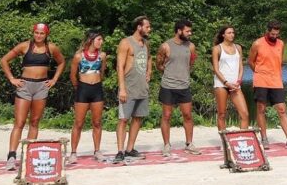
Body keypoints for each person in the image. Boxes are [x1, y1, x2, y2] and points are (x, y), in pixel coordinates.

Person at [0, 22, 66, 171]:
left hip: (41, 86)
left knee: (35, 121)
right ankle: (11, 156)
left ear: (46, 34)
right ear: (33, 32)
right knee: (19, 122)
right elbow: (4, 60)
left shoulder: (51, 48)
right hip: (25, 85)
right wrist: (12, 79)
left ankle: (29, 153)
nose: (39, 35)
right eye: (36, 32)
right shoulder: (25, 46)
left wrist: (54, 79)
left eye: (42, 33)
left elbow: (62, 62)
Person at [248, 20, 287, 150]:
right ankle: (264, 138)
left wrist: (274, 73)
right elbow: (251, 61)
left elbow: (279, 61)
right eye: (272, 34)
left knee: (282, 109)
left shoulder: (281, 44)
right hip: (261, 80)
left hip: (276, 80)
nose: (275, 36)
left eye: (277, 34)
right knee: (261, 109)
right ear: (268, 31)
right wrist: (259, 73)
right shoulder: (257, 43)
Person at [157, 19, 202, 157]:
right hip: (168, 86)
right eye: (187, 31)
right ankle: (166, 145)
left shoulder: (191, 46)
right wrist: (169, 73)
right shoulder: (165, 46)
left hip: (184, 86)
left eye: (190, 31)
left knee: (188, 115)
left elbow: (191, 63)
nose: (190, 33)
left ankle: (189, 144)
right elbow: (159, 64)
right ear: (179, 31)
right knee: (166, 115)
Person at [114, 16, 153, 163]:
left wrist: (149, 71)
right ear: (139, 27)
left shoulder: (146, 44)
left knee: (138, 118)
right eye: (147, 27)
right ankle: (120, 151)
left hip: (142, 88)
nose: (149, 29)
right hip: (129, 87)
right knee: (124, 119)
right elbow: (120, 66)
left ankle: (130, 149)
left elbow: (149, 58)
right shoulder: (126, 43)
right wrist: (122, 89)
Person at [68, 30, 107, 164]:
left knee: (97, 122)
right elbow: (72, 75)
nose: (101, 42)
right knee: (79, 123)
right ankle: (73, 152)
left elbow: (102, 72)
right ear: (91, 40)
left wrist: (97, 82)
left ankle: (97, 151)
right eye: (99, 39)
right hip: (83, 90)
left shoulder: (102, 56)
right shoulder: (78, 56)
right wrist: (78, 87)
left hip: (97, 90)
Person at [212, 25, 249, 134]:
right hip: (221, 84)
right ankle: (224, 140)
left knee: (244, 114)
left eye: (233, 32)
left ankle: (243, 138)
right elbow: (216, 69)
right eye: (229, 33)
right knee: (222, 114)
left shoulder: (238, 47)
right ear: (223, 35)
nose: (232, 35)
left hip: (235, 85)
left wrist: (239, 81)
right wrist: (226, 83)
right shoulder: (217, 49)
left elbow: (241, 66)